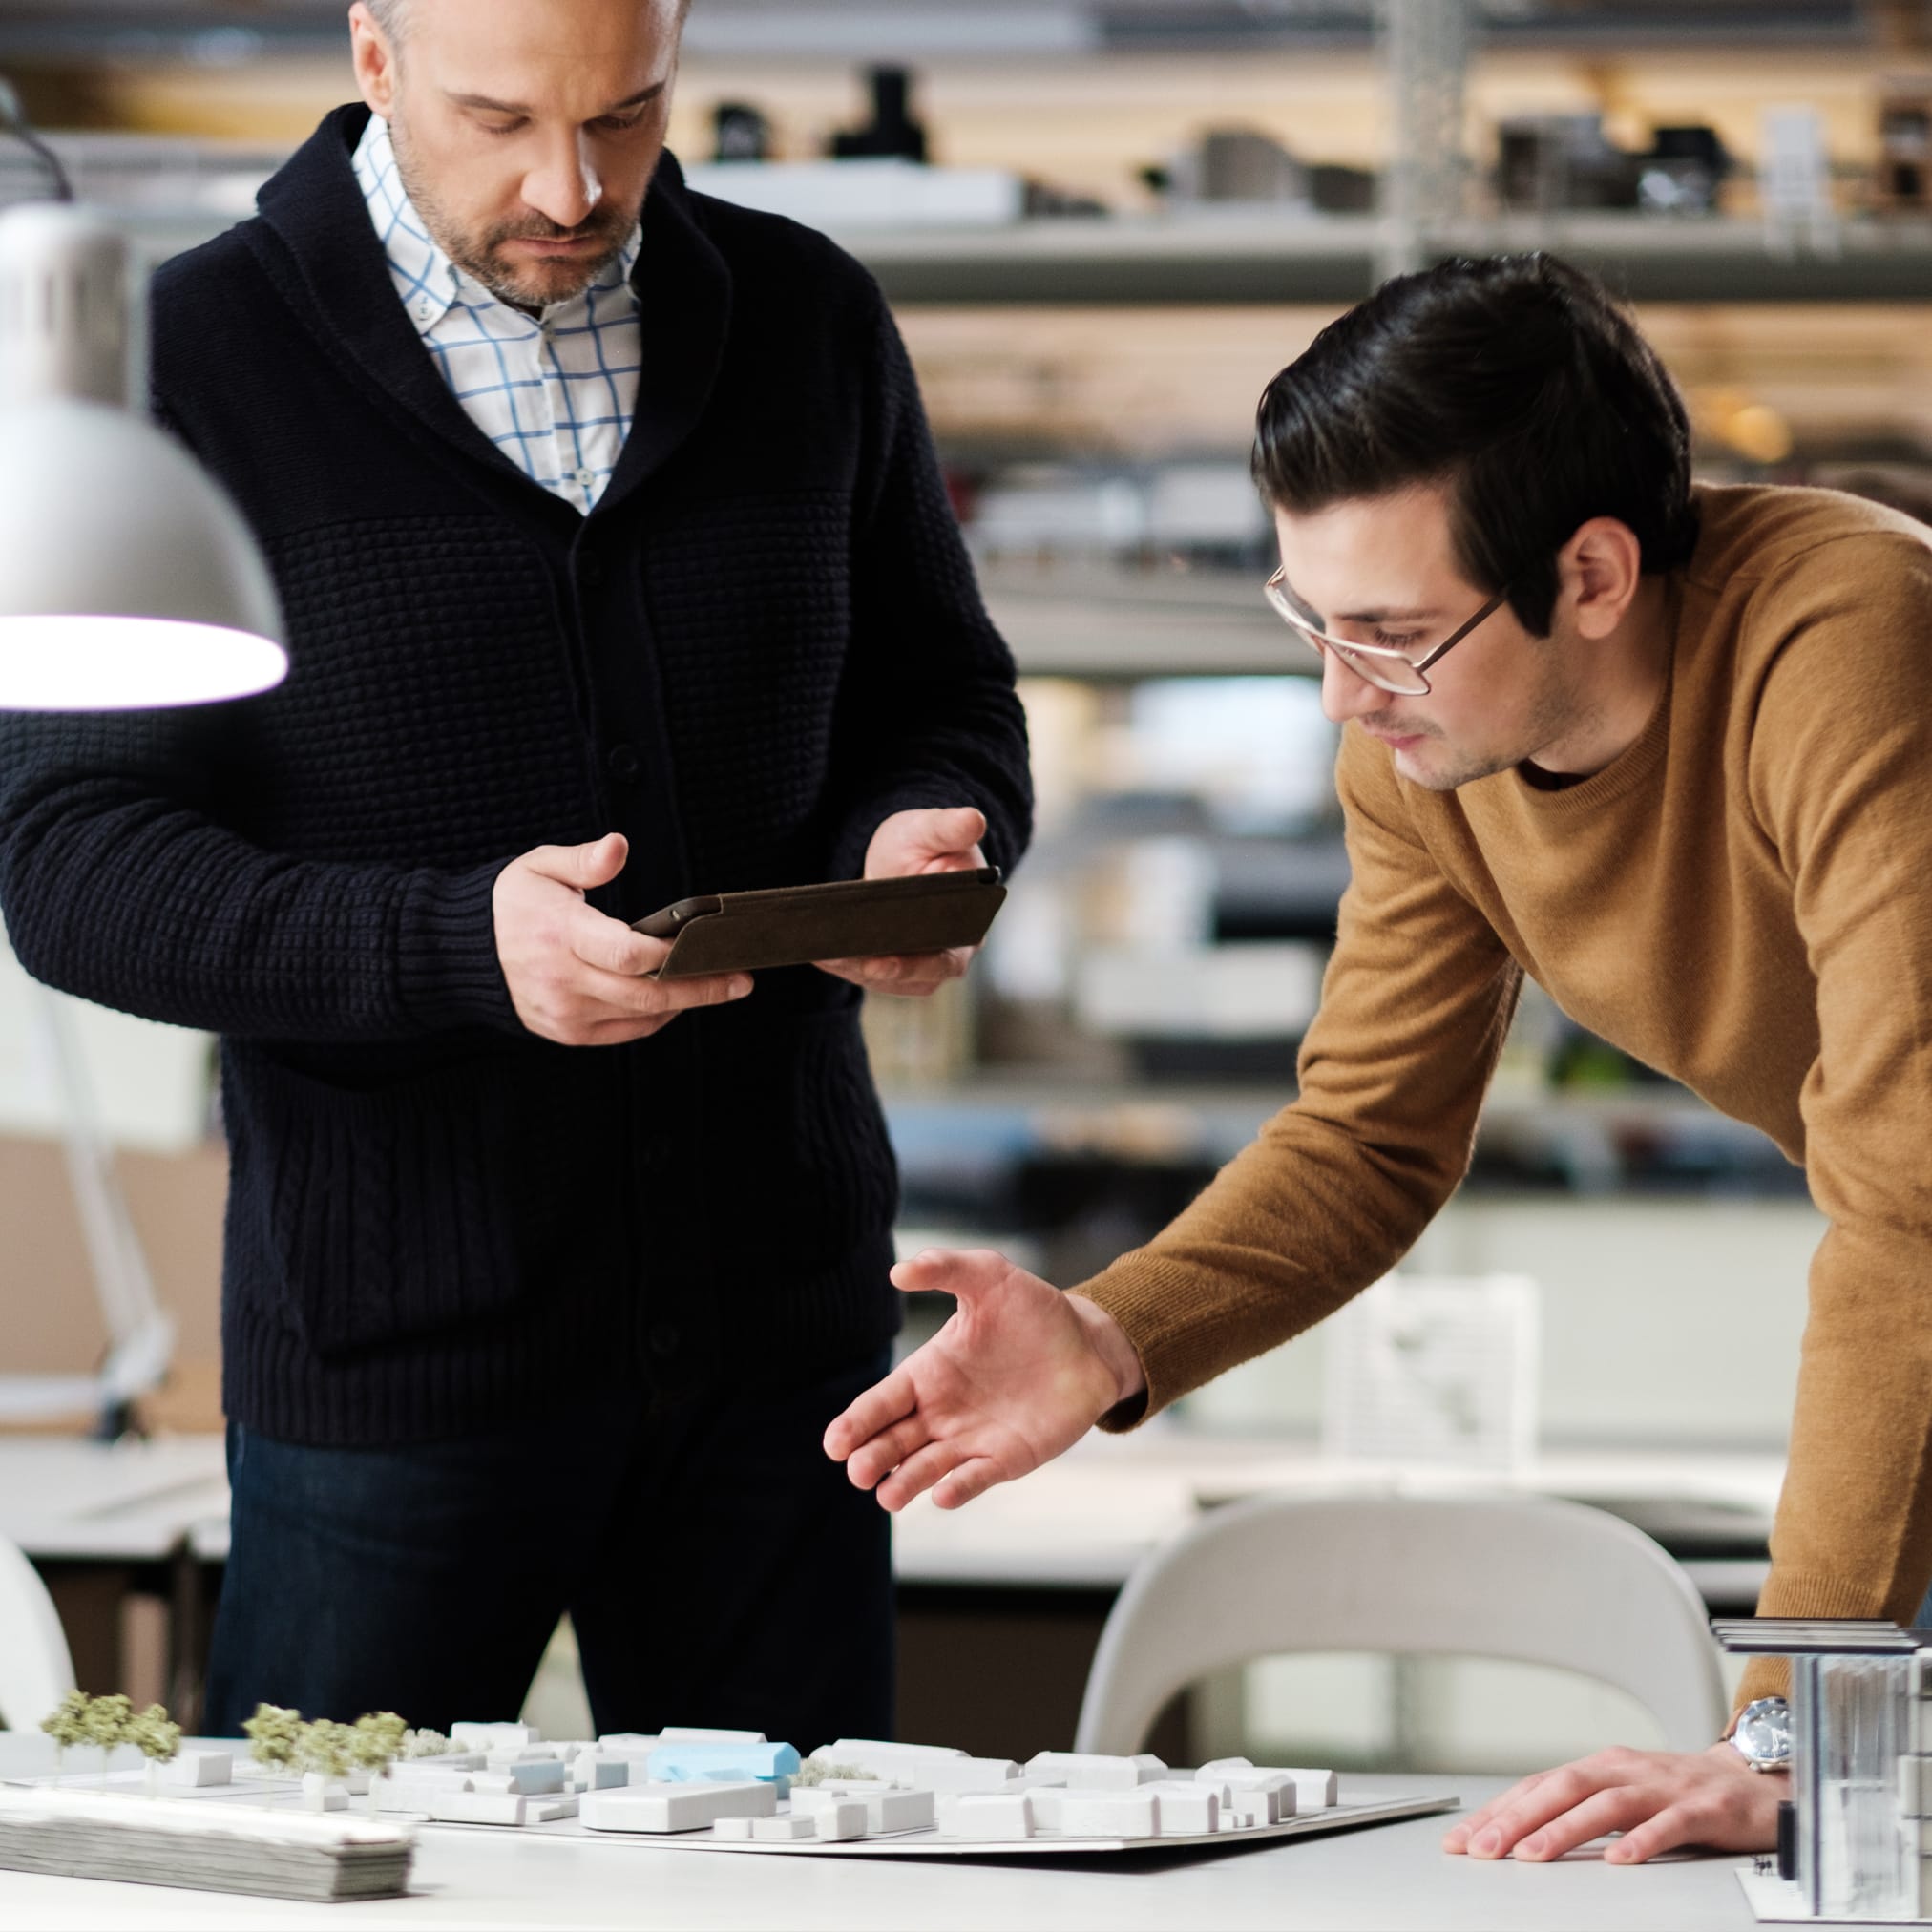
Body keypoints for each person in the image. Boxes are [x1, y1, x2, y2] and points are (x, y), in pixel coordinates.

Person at [0, 0, 1030, 1752]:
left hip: (784, 1352)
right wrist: (461, 948)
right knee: (337, 1866)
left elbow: (945, 702)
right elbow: (68, 864)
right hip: (396, 1361)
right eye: (502, 121)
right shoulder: (192, 356)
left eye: (627, 115)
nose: (573, 185)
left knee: (797, 1896)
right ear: (376, 57)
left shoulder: (806, 318)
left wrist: (914, 833)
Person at [825, 251, 1932, 1865]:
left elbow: (1911, 1206)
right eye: (1312, 619)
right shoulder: (1424, 751)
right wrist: (1114, 1336)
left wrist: (1783, 1737)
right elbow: (1368, 1138)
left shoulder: (1849, 647)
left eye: (1395, 632)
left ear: (1598, 574)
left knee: (1844, 1833)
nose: (1343, 692)